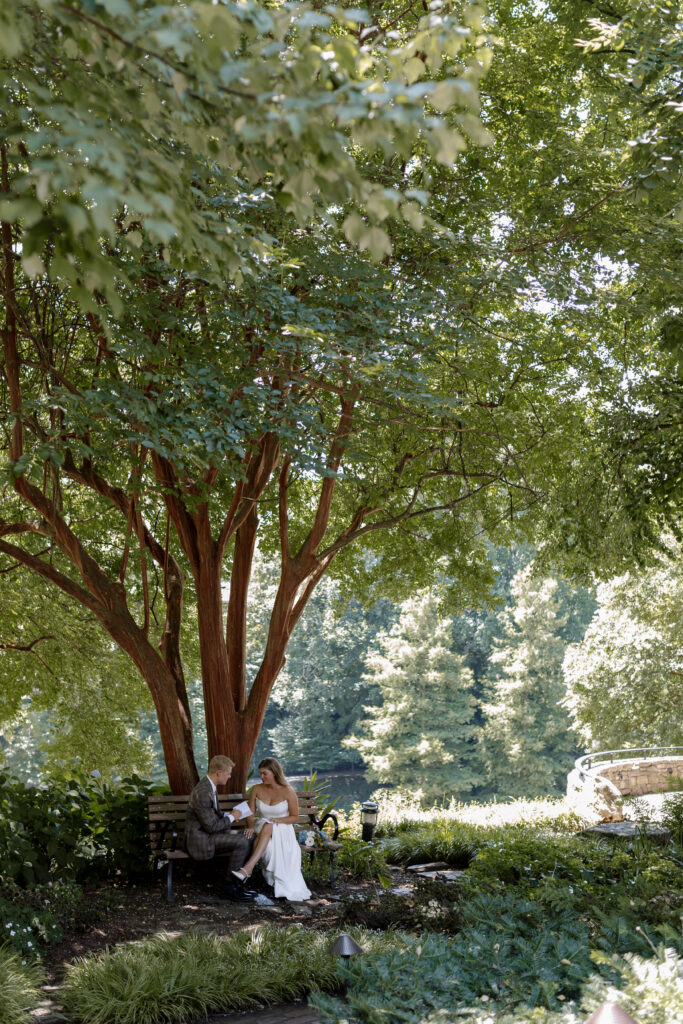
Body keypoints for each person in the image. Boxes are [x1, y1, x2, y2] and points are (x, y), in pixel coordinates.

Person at [232, 757, 311, 901]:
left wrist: (278, 820)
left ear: (274, 773)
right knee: (268, 845)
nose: (261, 777)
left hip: (283, 829)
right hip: (261, 826)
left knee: (270, 826)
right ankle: (269, 882)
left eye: (264, 774)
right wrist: (250, 827)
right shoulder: (257, 789)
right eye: (260, 773)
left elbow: (294, 817)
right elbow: (250, 811)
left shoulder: (288, 791)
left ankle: (249, 869)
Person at [185, 754, 256, 902]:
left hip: (208, 833)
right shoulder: (203, 792)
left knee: (249, 836)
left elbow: (212, 815)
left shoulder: (210, 786)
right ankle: (229, 885)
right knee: (242, 841)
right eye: (228, 773)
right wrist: (231, 817)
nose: (229, 776)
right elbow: (211, 827)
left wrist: (230, 814)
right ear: (219, 773)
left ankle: (237, 883)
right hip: (201, 839)